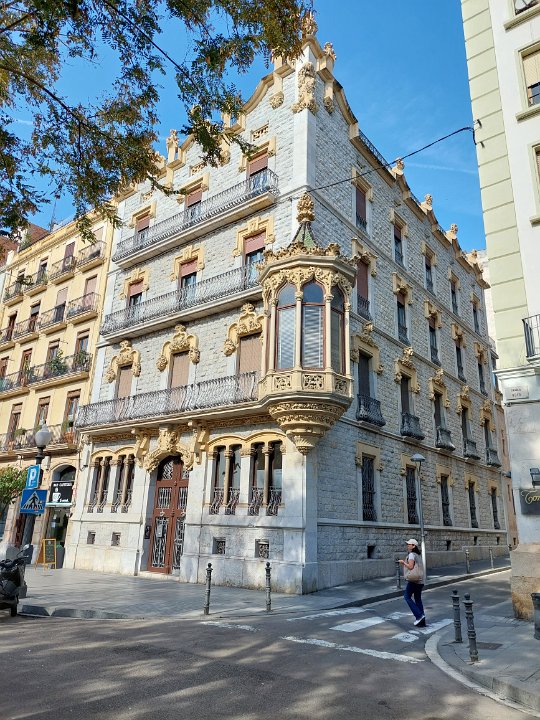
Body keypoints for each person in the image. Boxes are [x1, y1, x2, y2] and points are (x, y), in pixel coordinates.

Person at [399, 538, 426, 627]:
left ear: (413, 546)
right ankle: (422, 620)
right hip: (420, 580)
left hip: (414, 580)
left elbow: (410, 567)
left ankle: (419, 616)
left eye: (409, 544)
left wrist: (403, 562)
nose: (407, 546)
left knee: (407, 596)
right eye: (407, 544)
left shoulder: (411, 555)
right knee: (418, 599)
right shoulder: (418, 555)